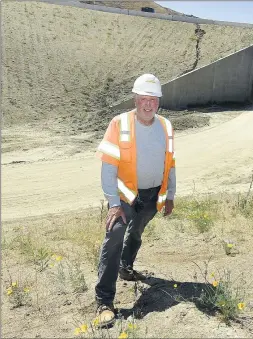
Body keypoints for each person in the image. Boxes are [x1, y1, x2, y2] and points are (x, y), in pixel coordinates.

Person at [93, 73, 176, 327]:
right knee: (116, 235)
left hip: (151, 197)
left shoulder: (166, 126)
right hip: (124, 197)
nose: (148, 104)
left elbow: (170, 163)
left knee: (137, 232)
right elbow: (108, 167)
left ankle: (126, 267)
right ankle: (104, 302)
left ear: (158, 101)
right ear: (135, 99)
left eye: (153, 99)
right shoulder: (119, 124)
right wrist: (114, 203)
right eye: (143, 99)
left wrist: (170, 194)